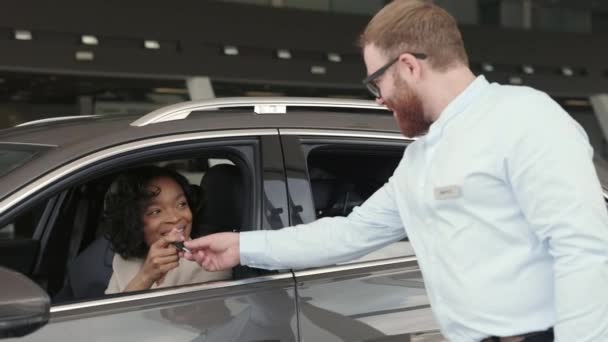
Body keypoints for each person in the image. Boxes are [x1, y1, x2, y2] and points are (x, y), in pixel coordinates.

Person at [183, 1, 608, 341]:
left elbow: (583, 248)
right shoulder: (419, 158)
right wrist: (242, 247)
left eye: (375, 83)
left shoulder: (524, 117)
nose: (378, 99)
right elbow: (349, 234)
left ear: (408, 65)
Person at [104, 166, 230, 294]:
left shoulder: (208, 261)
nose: (175, 218)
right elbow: (110, 314)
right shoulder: (125, 261)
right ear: (133, 221)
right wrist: (145, 277)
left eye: (181, 204)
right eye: (156, 211)